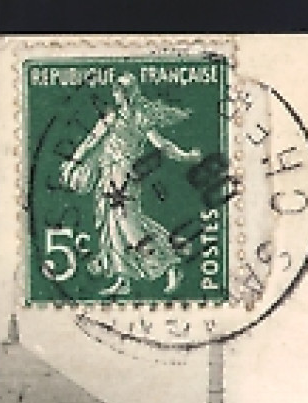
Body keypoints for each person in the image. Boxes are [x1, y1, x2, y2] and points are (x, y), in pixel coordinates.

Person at [58, 72, 204, 296]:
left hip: (126, 178)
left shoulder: (140, 117)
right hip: (108, 176)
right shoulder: (111, 117)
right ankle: (122, 278)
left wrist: (185, 156)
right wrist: (73, 162)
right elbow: (91, 141)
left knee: (130, 226)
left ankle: (169, 264)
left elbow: (162, 144)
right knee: (111, 227)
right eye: (117, 91)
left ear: (129, 93)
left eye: (122, 91)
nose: (118, 95)